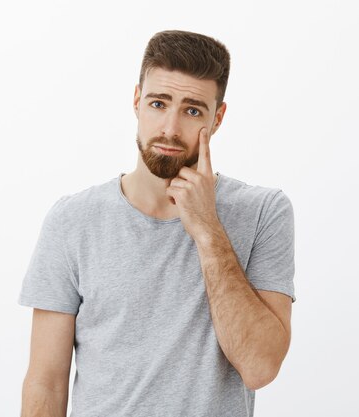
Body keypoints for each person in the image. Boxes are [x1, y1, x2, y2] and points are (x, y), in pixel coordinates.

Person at [17, 29, 295, 417]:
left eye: (192, 110)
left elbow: (260, 367)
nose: (169, 128)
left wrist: (208, 229)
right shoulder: (73, 220)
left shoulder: (264, 211)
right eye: (158, 103)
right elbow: (46, 383)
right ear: (136, 101)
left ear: (218, 118)